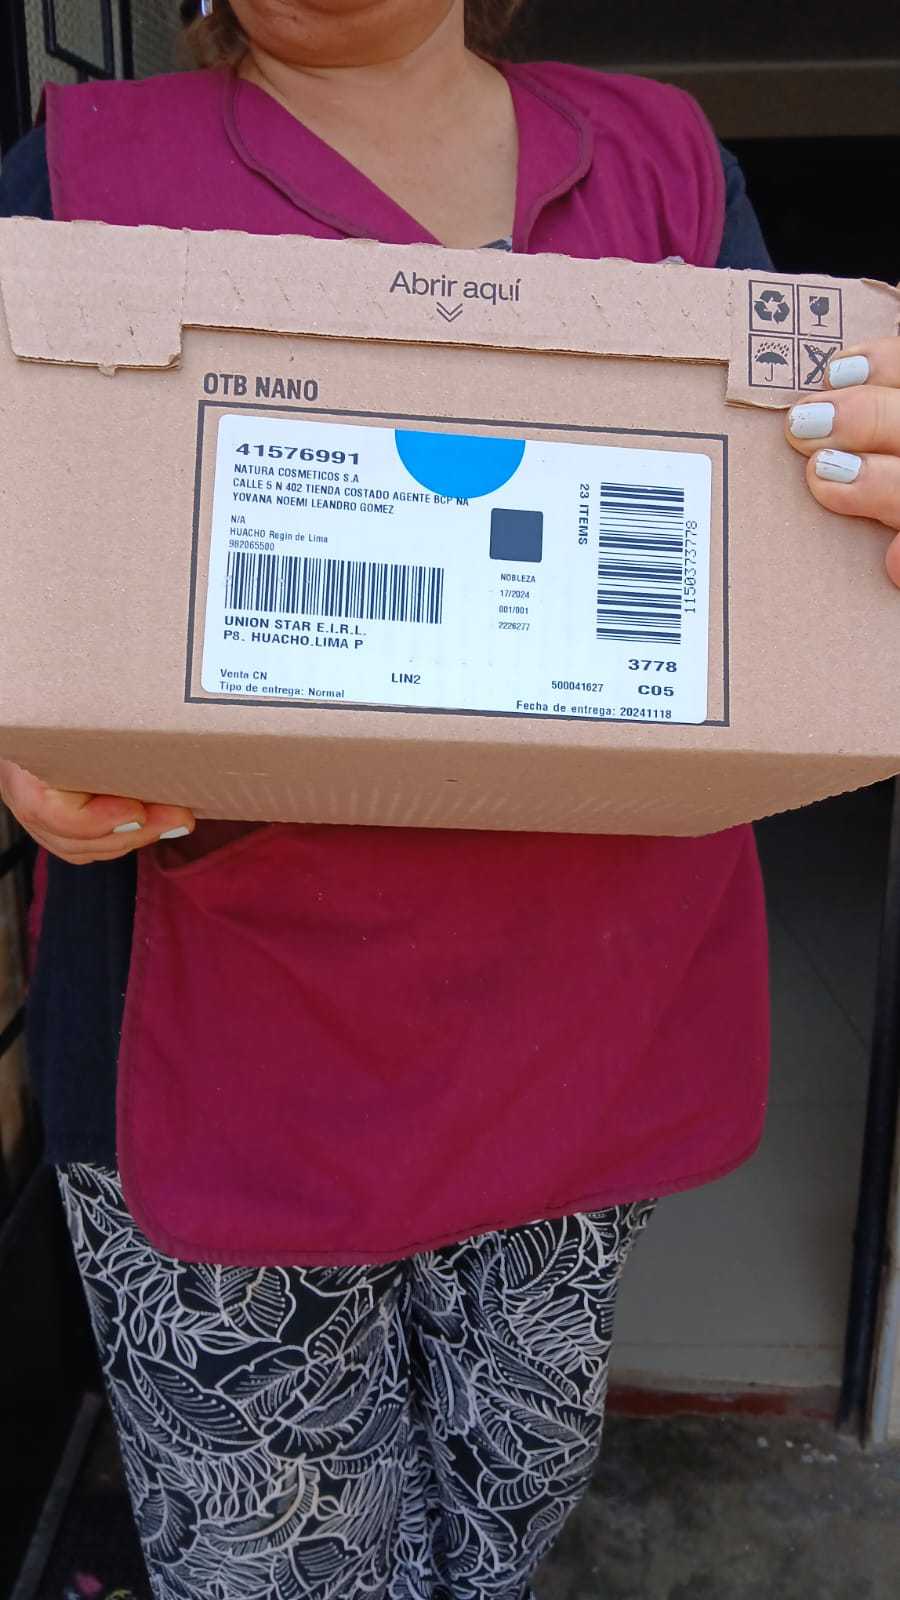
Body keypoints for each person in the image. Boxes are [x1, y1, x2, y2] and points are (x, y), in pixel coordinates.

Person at [1, 3, 899, 1595]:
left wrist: (866, 525)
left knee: (509, 1503)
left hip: (580, 1035)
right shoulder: (77, 175)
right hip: (228, 1060)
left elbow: (783, 547)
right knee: (279, 1553)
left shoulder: (662, 163)